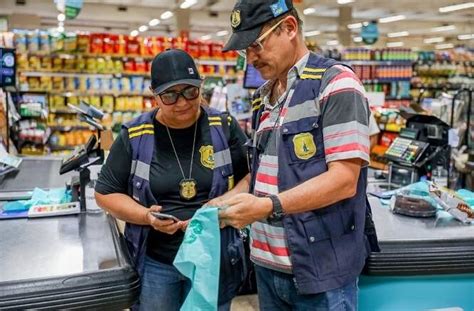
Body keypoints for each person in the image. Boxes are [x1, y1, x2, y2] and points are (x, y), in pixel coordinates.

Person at [218, 1, 379, 310]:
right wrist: (221, 204)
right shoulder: (263, 98)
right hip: (266, 267)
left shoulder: (336, 84)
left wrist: (266, 206)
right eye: (244, 51)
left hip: (319, 269)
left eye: (255, 45)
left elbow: (344, 180)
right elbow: (263, 171)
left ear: (289, 28)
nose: (250, 58)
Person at [94, 49, 249, 311]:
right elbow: (105, 193)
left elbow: (251, 175)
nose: (182, 103)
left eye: (190, 91)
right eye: (170, 95)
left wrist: (221, 202)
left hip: (212, 259)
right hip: (157, 263)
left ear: (201, 86)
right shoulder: (135, 135)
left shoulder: (223, 126)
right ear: (154, 95)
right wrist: (146, 217)